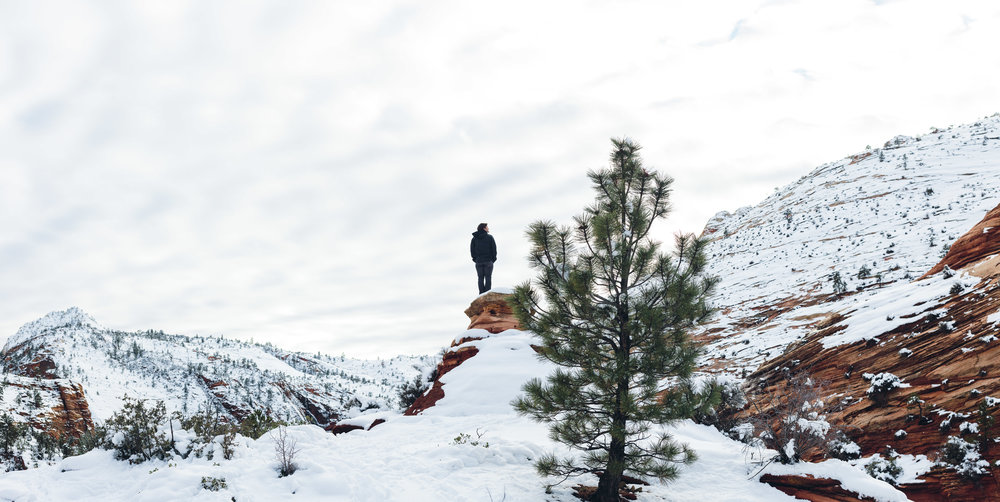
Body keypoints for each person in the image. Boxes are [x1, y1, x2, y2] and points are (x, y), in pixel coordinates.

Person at [470, 222, 497, 294]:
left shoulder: (474, 239)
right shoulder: (490, 237)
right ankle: (487, 293)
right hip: (488, 261)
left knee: (480, 278)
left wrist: (475, 259)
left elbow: (472, 250)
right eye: (487, 227)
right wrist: (493, 259)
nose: (488, 228)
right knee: (488, 277)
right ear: (484, 228)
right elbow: (494, 249)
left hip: (479, 261)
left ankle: (481, 293)